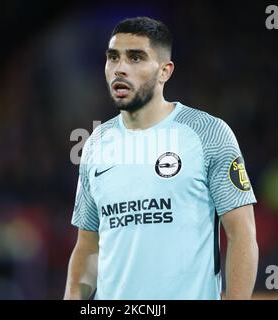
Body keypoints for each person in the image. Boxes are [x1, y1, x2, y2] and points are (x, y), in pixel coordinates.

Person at [64, 17, 258, 300]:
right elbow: (87, 246)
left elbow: (242, 234)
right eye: (113, 57)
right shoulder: (95, 144)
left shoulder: (208, 133)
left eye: (136, 58)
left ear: (164, 71)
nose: (120, 68)